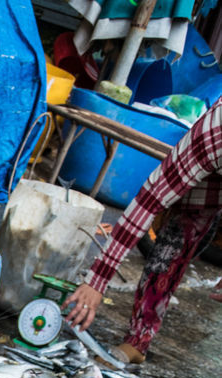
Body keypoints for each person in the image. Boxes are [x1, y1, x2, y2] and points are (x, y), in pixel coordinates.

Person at [65, 99, 222, 364]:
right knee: (178, 234)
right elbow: (150, 200)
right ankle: (138, 340)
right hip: (208, 177)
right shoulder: (213, 135)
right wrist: (97, 279)